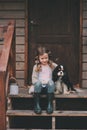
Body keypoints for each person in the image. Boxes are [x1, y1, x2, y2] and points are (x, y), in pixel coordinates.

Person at [32, 46, 57, 114]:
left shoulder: (52, 65)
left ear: (48, 57)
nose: (44, 60)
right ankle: (37, 105)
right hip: (39, 87)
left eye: (46, 58)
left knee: (51, 83)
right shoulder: (36, 67)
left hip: (49, 88)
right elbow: (34, 79)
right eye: (42, 58)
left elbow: (59, 69)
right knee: (37, 83)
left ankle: (49, 105)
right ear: (38, 58)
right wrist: (38, 83)